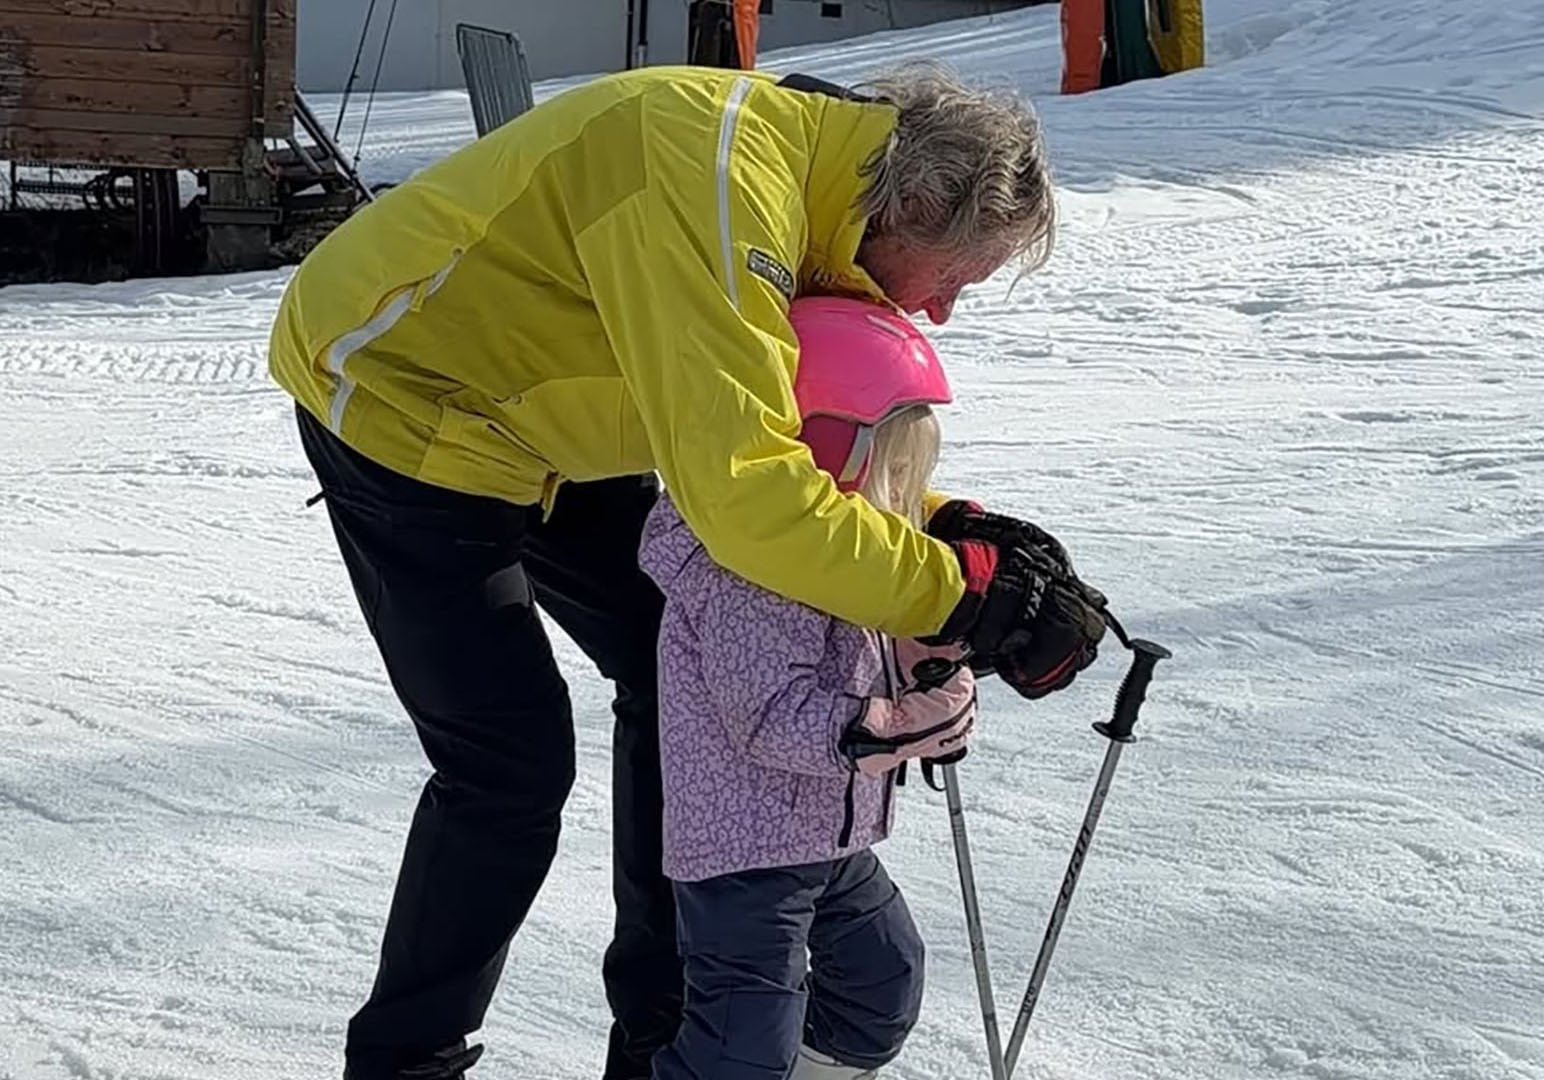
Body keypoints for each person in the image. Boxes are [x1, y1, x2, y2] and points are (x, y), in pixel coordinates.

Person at [271, 59, 1108, 1080]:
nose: (939, 313)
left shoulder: (822, 204)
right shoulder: (720, 178)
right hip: (403, 393)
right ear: (916, 208)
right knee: (508, 765)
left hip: (565, 418)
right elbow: (749, 495)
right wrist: (959, 595)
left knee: (682, 680)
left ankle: (662, 1041)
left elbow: (790, 443)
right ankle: (405, 1063)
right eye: (956, 280)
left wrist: (951, 532)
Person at [639, 296, 980, 1080]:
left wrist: (929, 660)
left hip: (827, 834)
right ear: (826, 452)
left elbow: (859, 653)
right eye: (895, 474)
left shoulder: (835, 553)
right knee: (741, 1046)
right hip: (743, 849)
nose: (903, 501)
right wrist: (898, 724)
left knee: (879, 986)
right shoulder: (749, 569)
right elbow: (770, 717)